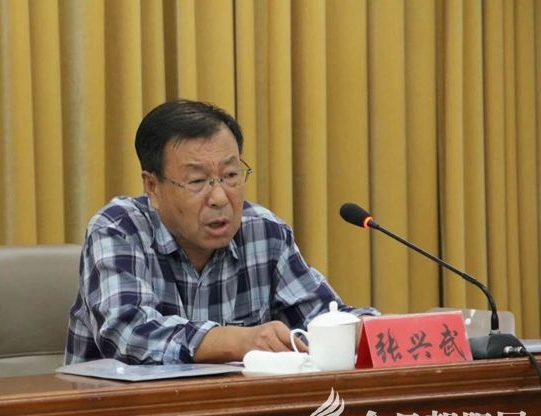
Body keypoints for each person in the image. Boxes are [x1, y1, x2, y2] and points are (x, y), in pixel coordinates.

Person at [65, 99, 377, 365]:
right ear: (152, 186)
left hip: (237, 412)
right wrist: (239, 341)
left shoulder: (263, 232)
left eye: (230, 175)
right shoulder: (119, 229)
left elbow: (322, 315)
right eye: (197, 181)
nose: (219, 197)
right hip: (126, 414)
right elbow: (129, 334)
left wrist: (370, 330)